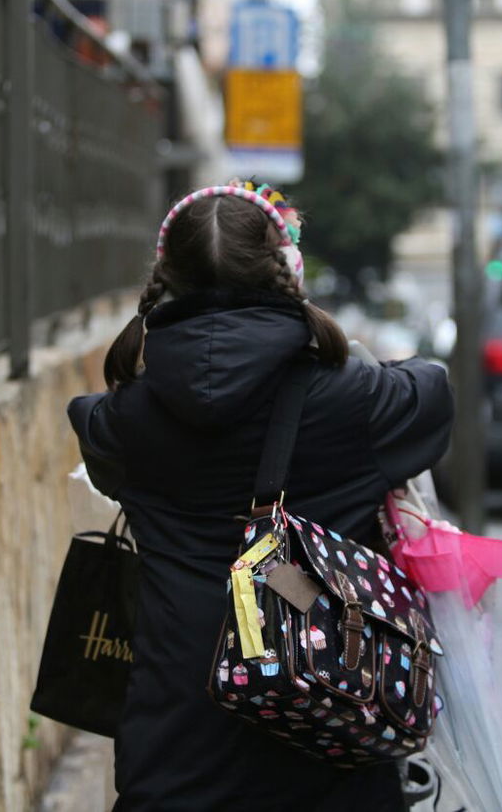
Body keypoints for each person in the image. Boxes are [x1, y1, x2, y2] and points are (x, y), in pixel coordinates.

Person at [67, 184, 453, 811]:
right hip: (334, 743)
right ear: (288, 271)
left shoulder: (126, 423)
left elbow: (90, 423)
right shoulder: (354, 401)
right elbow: (432, 390)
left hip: (175, 754)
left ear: (166, 278)